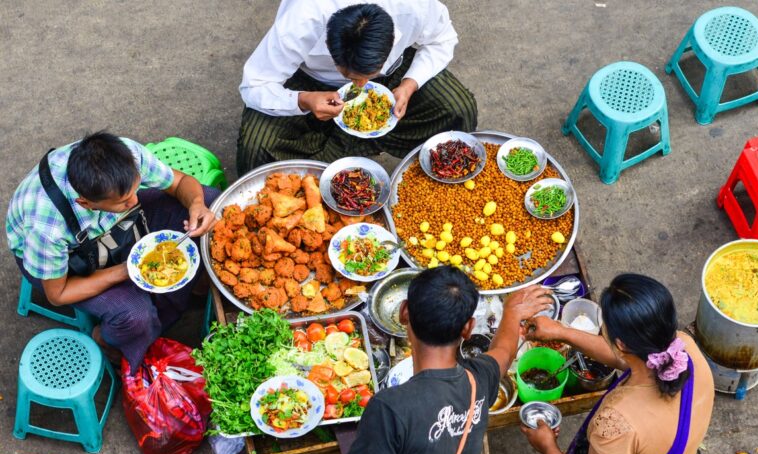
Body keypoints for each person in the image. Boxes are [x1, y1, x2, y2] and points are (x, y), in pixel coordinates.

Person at [6, 132, 218, 370]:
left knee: (212, 200)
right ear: (85, 203)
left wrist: (197, 205)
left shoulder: (126, 156)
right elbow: (59, 293)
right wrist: (128, 270)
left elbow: (179, 183)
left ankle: (186, 289)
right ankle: (109, 342)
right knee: (135, 315)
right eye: (124, 201)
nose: (135, 200)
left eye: (136, 189)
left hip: (112, 224)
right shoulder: (47, 227)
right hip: (60, 264)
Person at [237, 0, 478, 174]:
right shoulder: (303, 16)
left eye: (367, 76)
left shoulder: (413, 6)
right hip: (311, 80)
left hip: (393, 75)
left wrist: (409, 84)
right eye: (348, 74)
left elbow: (442, 39)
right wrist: (304, 99)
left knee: (457, 108)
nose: (359, 87)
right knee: (257, 145)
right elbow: (254, 85)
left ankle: (433, 180)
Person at [347, 266, 552, 454]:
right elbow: (505, 352)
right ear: (468, 328)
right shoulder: (479, 380)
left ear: (404, 312)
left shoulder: (388, 409)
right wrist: (512, 313)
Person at [519, 274, 714, 454]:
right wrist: (561, 332)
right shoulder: (684, 349)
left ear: (621, 344)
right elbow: (627, 358)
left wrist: (548, 448)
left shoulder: (616, 423)